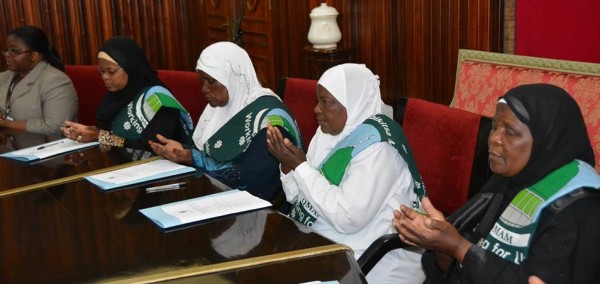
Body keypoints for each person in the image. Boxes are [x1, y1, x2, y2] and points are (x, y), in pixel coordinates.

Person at [394, 84, 600, 284]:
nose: (494, 138)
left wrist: (458, 247)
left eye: (510, 132)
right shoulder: (512, 176)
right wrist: (441, 244)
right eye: (494, 126)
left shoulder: (580, 206)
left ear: (546, 138)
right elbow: (453, 265)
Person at [266, 63, 427, 283]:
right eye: (318, 100)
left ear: (354, 102)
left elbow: (347, 218)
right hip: (324, 239)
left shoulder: (378, 148)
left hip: (370, 255)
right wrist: (288, 165)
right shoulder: (328, 133)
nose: (316, 109)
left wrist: (301, 168)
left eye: (326, 102)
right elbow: (299, 197)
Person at [149, 41, 302, 204]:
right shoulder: (217, 109)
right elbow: (208, 154)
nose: (203, 89)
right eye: (202, 81)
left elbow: (249, 181)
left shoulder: (267, 119)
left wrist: (192, 158)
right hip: (219, 200)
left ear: (233, 78)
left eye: (211, 81)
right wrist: (181, 150)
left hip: (266, 213)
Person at [61, 36, 193, 151]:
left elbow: (151, 148)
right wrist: (90, 135)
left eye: (110, 71)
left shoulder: (159, 100)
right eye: (101, 71)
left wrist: (101, 136)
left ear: (130, 68)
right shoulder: (115, 97)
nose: (105, 77)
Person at [0, 26, 77, 135]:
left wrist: (6, 124)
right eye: (6, 50)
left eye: (14, 51)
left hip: (44, 148)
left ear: (34, 55)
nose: (7, 55)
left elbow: (57, 126)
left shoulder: (56, 81)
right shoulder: (3, 77)